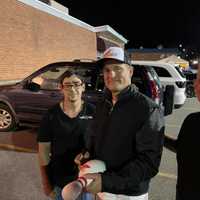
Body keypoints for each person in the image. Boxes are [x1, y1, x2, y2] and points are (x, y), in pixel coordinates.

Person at [75, 47, 165, 200]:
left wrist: (107, 182)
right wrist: (86, 153)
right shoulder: (103, 104)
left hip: (129, 194)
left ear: (130, 71)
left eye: (117, 68)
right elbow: (94, 137)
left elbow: (148, 163)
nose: (111, 75)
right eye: (107, 70)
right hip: (102, 186)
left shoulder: (147, 109)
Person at [37, 70, 95, 200]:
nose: (72, 89)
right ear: (61, 88)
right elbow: (43, 152)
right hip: (60, 181)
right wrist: (46, 184)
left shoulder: (94, 112)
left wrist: (88, 154)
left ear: (83, 87)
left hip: (85, 180)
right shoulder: (51, 115)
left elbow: (100, 143)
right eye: (68, 85)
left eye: (76, 84)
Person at [164, 64, 200, 200]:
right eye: (196, 78)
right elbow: (182, 148)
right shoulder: (192, 121)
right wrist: (157, 134)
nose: (195, 83)